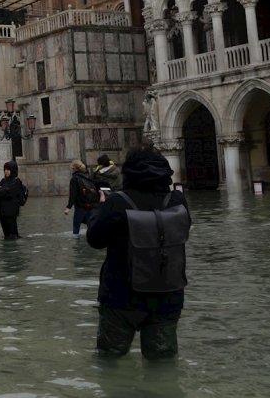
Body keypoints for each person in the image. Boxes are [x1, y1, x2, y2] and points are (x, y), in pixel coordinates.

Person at [87, 145, 188, 360]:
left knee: (109, 360)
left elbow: (94, 240)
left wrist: (100, 207)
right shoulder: (177, 201)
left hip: (120, 297)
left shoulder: (117, 202)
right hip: (167, 295)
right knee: (163, 364)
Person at [0, 160, 24, 240]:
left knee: (13, 235)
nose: (6, 171)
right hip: (3, 212)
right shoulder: (3, 180)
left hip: (11, 212)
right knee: (6, 235)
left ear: (13, 170)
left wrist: (0, 189)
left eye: (8, 169)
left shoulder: (17, 181)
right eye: (5, 169)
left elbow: (7, 192)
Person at [65, 160, 99, 237]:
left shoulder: (74, 179)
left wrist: (68, 207)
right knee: (91, 229)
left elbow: (73, 194)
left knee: (76, 231)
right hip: (92, 206)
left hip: (80, 207)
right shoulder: (89, 176)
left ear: (74, 168)